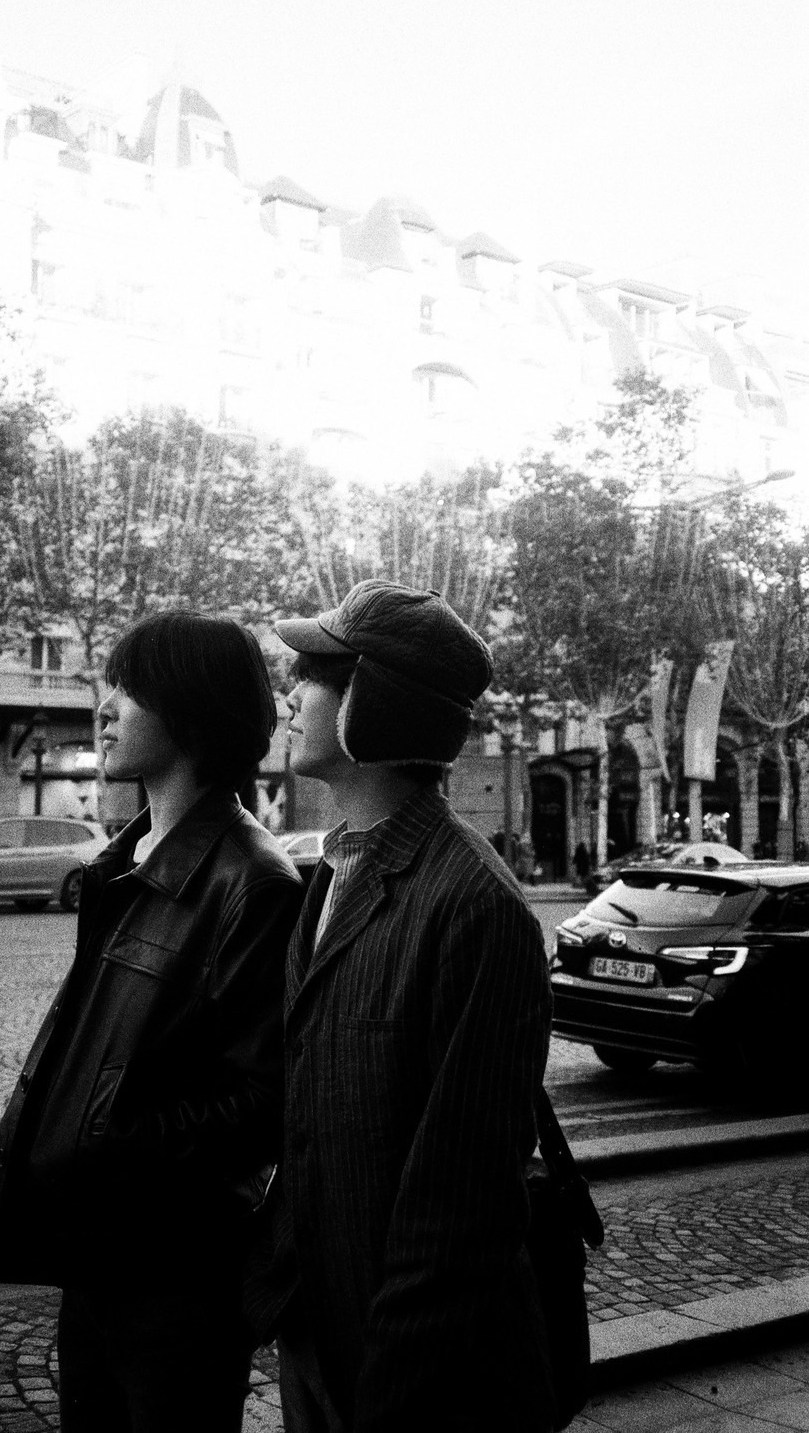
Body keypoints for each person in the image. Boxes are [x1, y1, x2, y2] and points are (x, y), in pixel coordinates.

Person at [246, 580, 555, 1433]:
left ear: (373, 706)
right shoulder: (331, 873)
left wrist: (387, 1395)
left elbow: (462, 1203)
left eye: (315, 675)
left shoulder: (474, 905)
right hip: (318, 1326)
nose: (291, 695)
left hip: (412, 1378)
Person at [0, 611, 304, 1433]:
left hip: (176, 1273)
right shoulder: (119, 862)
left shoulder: (254, 881)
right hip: (98, 1251)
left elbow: (263, 1101)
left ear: (193, 712)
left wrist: (107, 1142)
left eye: (128, 691)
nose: (105, 708)